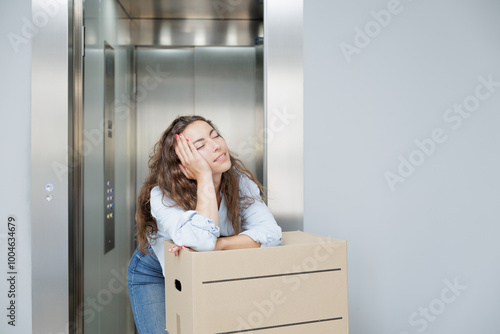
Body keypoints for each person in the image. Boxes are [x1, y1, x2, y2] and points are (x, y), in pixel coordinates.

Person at [127, 115, 282, 333]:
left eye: (215, 135)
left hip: (204, 267)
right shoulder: (163, 196)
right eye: (200, 146)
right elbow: (202, 242)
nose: (216, 145)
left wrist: (220, 245)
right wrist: (204, 177)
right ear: (183, 161)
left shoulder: (239, 181)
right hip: (155, 273)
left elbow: (272, 234)